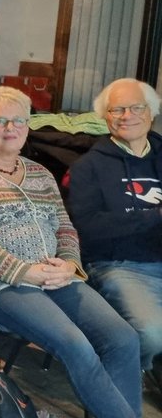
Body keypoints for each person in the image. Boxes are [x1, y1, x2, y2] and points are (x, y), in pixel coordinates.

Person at [0, 87, 153, 418]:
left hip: (53, 278)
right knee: (76, 344)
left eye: (19, 120)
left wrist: (69, 264)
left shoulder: (40, 174)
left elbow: (65, 227)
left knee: (123, 338)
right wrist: (24, 272)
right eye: (0, 121)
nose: (11, 127)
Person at [69, 78, 162, 373]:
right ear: (105, 117)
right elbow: (89, 226)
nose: (127, 116)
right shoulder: (87, 167)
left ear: (151, 112)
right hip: (119, 265)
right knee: (151, 333)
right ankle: (136, 374)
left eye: (136, 107)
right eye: (117, 109)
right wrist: (153, 217)